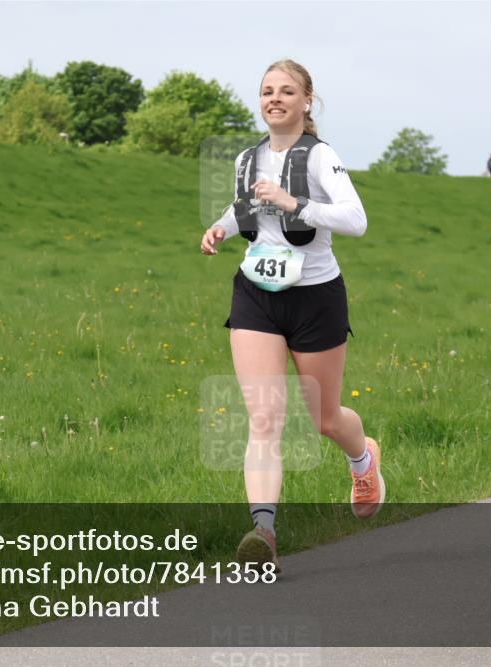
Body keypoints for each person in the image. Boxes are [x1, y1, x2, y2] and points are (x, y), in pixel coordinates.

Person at [200, 59, 384, 572]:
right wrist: (219, 229)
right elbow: (245, 210)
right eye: (266, 91)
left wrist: (294, 202)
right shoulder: (247, 158)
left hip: (315, 298)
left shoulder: (322, 158)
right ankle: (263, 533)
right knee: (263, 419)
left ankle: (362, 458)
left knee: (325, 419)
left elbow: (356, 220)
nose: (274, 99)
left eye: (285, 91)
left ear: (307, 102)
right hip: (256, 294)